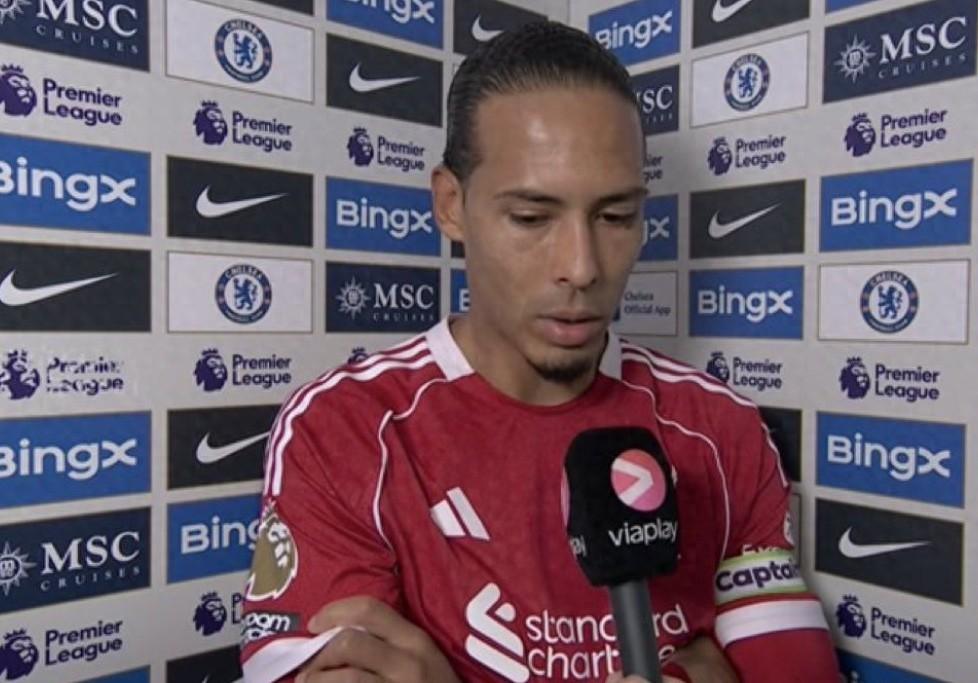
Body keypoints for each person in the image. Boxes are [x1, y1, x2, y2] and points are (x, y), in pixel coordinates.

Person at [240, 21, 839, 683]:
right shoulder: (345, 430)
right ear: (451, 205)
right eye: (531, 217)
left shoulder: (721, 428)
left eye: (615, 216)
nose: (582, 267)